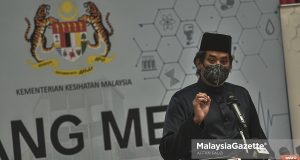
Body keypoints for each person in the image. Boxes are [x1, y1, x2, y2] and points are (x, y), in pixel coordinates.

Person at [159, 32, 274, 159]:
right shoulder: (182, 99)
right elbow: (167, 152)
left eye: (224, 61)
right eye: (212, 60)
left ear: (230, 65)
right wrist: (195, 121)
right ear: (199, 63)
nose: (218, 65)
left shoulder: (241, 94)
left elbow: (260, 142)